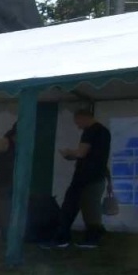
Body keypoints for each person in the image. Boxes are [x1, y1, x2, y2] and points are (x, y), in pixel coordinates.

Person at [52, 106, 111, 249]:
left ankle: (68, 237)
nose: (78, 126)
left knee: (72, 206)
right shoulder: (104, 132)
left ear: (83, 118)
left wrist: (68, 152)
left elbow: (81, 153)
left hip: (85, 177)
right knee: (91, 208)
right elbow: (96, 156)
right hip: (97, 176)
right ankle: (92, 236)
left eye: (78, 122)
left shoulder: (90, 131)